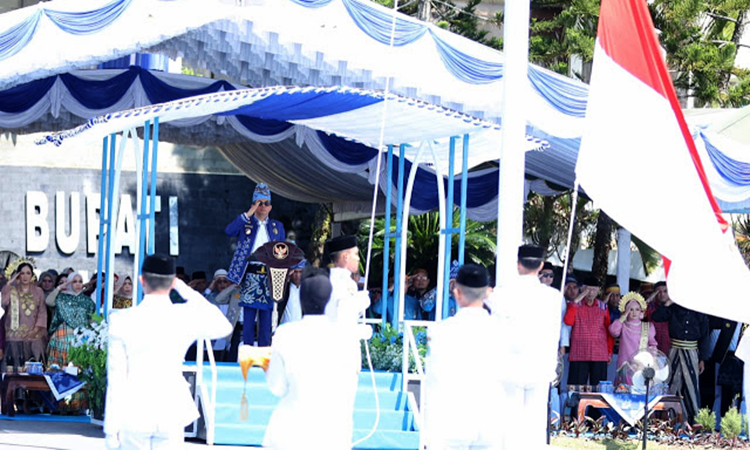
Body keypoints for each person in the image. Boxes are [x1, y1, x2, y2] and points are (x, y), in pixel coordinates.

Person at [104, 254, 232, 449]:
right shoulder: (183, 315)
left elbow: (116, 378)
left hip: (135, 409)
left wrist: (111, 430)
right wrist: (184, 289)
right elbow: (223, 326)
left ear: (142, 281)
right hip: (171, 409)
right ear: (172, 282)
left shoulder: (122, 320)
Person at [264, 270, 361, 450]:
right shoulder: (346, 336)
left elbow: (276, 387)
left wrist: (267, 367)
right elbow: (352, 383)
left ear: (301, 300)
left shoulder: (285, 334)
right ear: (329, 301)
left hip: (289, 432)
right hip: (333, 434)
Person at [424, 263, 502, 449]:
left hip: (451, 419)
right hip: (490, 419)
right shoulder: (501, 330)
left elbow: (434, 379)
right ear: (488, 293)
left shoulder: (440, 331)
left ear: (457, 293)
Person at [492, 245, 562, 449]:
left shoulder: (501, 293)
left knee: (508, 421)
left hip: (510, 363)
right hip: (539, 362)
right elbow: (554, 332)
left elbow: (495, 328)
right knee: (535, 423)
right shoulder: (553, 296)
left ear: (518, 264)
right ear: (540, 265)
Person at [225, 183, 285, 347]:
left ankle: (264, 351)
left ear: (271, 206)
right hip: (250, 273)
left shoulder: (276, 226)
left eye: (266, 203)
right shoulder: (246, 223)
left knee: (266, 317)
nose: (263, 206)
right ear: (254, 205)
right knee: (249, 317)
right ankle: (248, 351)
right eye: (259, 203)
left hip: (269, 275)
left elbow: (283, 251)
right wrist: (249, 213)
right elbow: (229, 231)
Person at [651, 295, 710, 424]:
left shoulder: (700, 310)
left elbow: (705, 336)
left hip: (692, 352)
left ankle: (693, 421)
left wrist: (703, 359)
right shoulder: (674, 307)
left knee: (691, 386)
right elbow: (656, 317)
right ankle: (668, 420)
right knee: (671, 383)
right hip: (675, 351)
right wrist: (668, 302)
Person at [46, 271, 95, 412]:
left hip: (79, 340)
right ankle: (57, 405)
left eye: (80, 281)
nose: (78, 284)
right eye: (74, 281)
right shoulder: (61, 297)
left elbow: (91, 321)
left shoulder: (87, 301)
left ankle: (76, 405)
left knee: (77, 370)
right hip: (61, 339)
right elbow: (48, 302)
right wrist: (59, 288)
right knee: (58, 370)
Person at [563, 276, 614, 387]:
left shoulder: (603, 306)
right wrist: (578, 299)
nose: (591, 292)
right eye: (587, 289)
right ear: (582, 289)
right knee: (575, 389)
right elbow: (568, 321)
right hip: (579, 352)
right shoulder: (575, 305)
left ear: (598, 291)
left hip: (600, 353)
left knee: (599, 389)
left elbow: (608, 330)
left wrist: (609, 352)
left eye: (594, 290)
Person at [1, 261, 46, 371]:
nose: (25, 276)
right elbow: (3, 303)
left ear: (32, 275)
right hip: (14, 335)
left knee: (33, 370)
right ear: (18, 275)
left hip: (33, 335)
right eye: (22, 273)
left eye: (28, 273)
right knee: (13, 369)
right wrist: (8, 284)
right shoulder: (11, 290)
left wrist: (35, 330)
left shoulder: (38, 291)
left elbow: (42, 312)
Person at [608, 292, 657, 385]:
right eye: (631, 309)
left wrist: (652, 360)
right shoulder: (622, 325)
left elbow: (653, 345)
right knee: (624, 389)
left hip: (641, 365)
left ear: (641, 311)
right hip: (625, 364)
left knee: (640, 388)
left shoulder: (648, 327)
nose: (634, 312)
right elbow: (613, 332)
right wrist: (622, 318)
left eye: (637, 309)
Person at [701, 316, 744, 417]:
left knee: (742, 394)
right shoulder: (727, 317)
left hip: (744, 360)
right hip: (725, 357)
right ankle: (718, 420)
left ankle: (740, 420)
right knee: (720, 393)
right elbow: (713, 327)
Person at [324, 235, 369, 324]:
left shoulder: (347, 281)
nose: (358, 258)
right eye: (356, 254)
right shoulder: (337, 281)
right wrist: (361, 302)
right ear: (346, 257)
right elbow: (342, 314)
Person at [646, 281, 672, 355]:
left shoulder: (673, 308)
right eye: (659, 292)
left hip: (670, 349)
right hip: (652, 348)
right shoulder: (650, 307)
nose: (662, 294)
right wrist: (650, 298)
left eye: (665, 291)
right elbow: (640, 311)